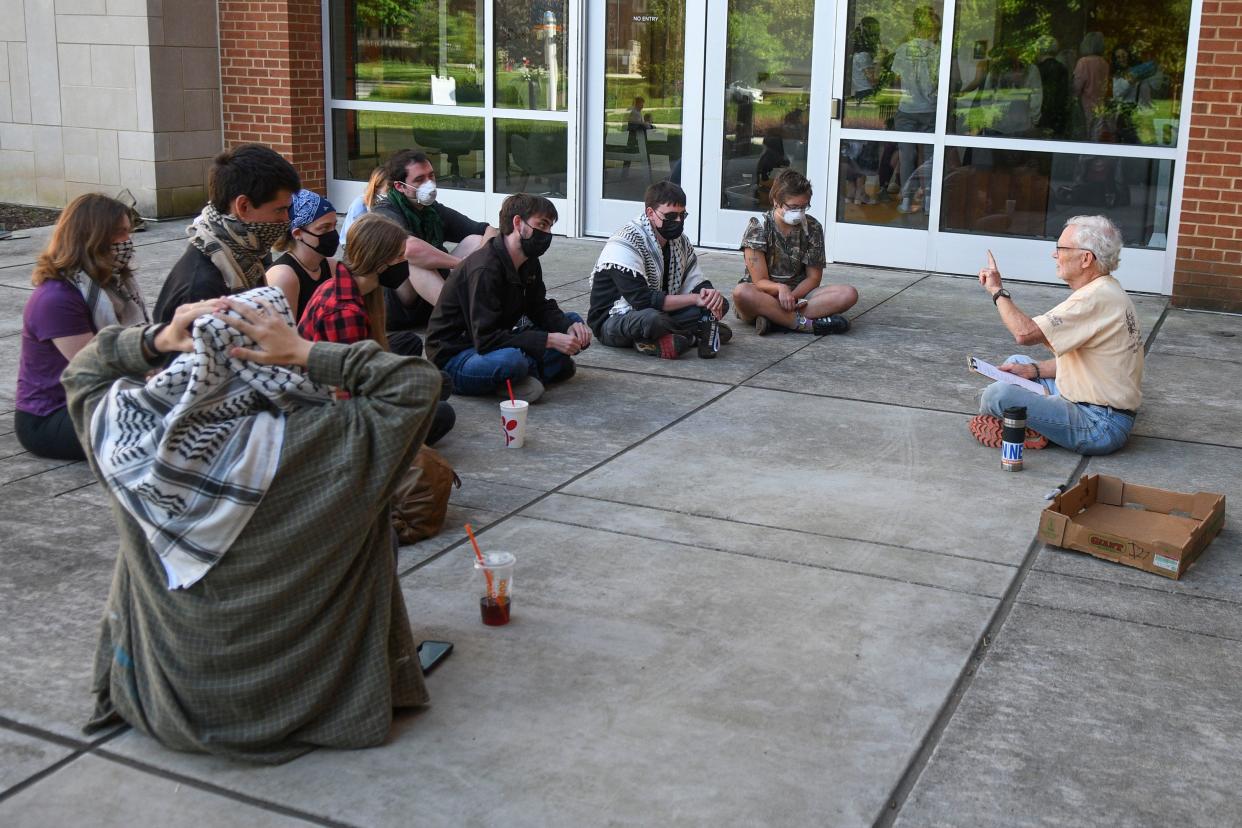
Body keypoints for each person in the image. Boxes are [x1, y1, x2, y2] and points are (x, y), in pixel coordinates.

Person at [66, 286, 441, 763]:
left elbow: (86, 369)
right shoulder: (336, 439)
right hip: (310, 705)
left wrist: (158, 338)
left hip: (172, 707)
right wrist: (306, 351)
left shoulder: (130, 446)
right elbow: (415, 384)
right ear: (279, 347)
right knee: (374, 518)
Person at [970, 215, 1142, 455]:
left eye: (1061, 248)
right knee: (1018, 363)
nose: (1054, 255)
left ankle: (1032, 428)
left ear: (1085, 258)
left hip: (1099, 424)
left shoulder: (1093, 299)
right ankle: (1037, 423)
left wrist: (997, 291)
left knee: (997, 395)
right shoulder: (1107, 289)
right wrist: (1033, 371)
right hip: (1096, 405)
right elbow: (1086, 363)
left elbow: (1025, 333)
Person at [300, 213, 456, 445]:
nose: (406, 263)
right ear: (381, 261)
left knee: (431, 373)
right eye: (401, 256)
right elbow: (350, 394)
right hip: (333, 413)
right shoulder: (344, 312)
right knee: (441, 411)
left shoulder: (356, 286)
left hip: (354, 383)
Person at [15, 194, 147, 461]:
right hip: (52, 416)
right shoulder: (56, 299)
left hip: (96, 400)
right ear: (92, 238)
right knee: (162, 427)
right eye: (120, 233)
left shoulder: (110, 285)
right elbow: (96, 367)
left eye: (128, 232)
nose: (127, 242)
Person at [426, 194, 586, 402]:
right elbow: (485, 338)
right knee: (513, 360)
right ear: (518, 223)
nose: (547, 234)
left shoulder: (528, 261)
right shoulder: (484, 268)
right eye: (542, 225)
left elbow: (538, 307)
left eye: (550, 227)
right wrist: (547, 341)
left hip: (496, 341)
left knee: (573, 322)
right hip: (458, 355)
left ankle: (521, 376)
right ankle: (525, 373)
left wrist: (566, 327)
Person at [153, 143, 300, 322]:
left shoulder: (244, 256)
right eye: (279, 210)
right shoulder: (202, 288)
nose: (285, 219)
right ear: (243, 206)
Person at [588, 181, 731, 360]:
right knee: (652, 319)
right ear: (650, 213)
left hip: (661, 311)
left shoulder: (679, 241)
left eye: (682, 215)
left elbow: (695, 280)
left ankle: (675, 336)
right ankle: (696, 333)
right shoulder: (625, 242)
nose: (678, 221)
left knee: (720, 303)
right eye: (671, 216)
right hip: (614, 320)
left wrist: (708, 294)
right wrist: (696, 299)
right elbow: (643, 300)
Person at [370, 149, 499, 335]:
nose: (429, 183)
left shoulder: (432, 210)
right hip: (396, 307)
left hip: (432, 298)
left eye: (431, 176)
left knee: (475, 241)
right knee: (412, 261)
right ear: (400, 187)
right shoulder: (384, 212)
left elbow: (488, 230)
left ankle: (482, 305)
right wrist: (462, 264)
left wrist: (478, 260)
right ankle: (464, 316)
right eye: (419, 179)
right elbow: (408, 249)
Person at [732, 169, 857, 336]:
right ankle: (804, 324)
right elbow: (760, 281)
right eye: (793, 207)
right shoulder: (759, 226)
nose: (798, 212)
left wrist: (791, 297)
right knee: (741, 293)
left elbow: (814, 278)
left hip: (800, 294)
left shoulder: (812, 227)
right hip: (763, 294)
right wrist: (780, 289)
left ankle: (774, 319)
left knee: (848, 294)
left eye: (804, 207)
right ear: (776, 201)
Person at [891, 6, 940, 212]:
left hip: (907, 108)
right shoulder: (937, 52)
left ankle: (906, 199)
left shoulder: (904, 49)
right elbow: (941, 83)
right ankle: (928, 200)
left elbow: (896, 79)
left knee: (907, 156)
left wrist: (897, 101)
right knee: (929, 157)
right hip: (929, 109)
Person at [265, 189, 337, 321]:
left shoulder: (331, 266)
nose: (333, 234)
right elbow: (284, 337)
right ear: (297, 233)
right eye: (324, 228)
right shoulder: (283, 276)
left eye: (334, 226)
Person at [339, 165, 387, 244]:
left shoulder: (386, 202)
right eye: (389, 189)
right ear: (377, 187)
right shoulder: (361, 204)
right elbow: (355, 235)